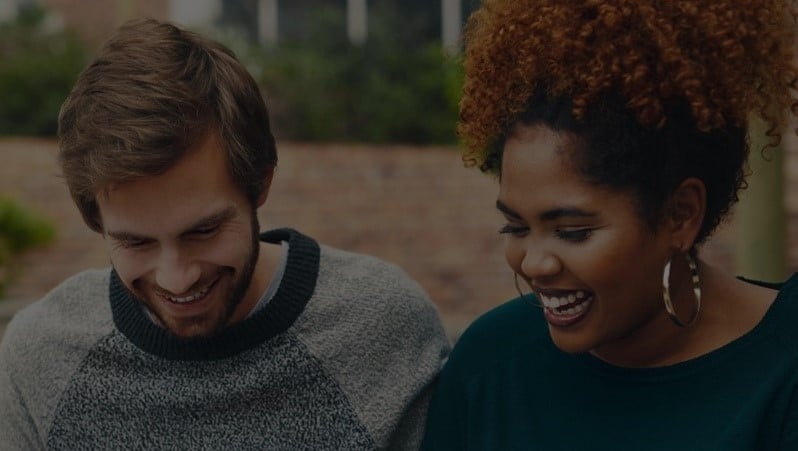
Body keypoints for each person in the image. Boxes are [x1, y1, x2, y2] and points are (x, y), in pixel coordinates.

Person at [0, 18, 450, 449]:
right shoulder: (42, 358)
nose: (177, 279)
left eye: (204, 230)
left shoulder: (386, 328)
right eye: (135, 242)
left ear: (261, 183)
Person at [422, 0, 798, 449]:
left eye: (572, 231)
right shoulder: (489, 365)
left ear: (681, 214)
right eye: (516, 228)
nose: (535, 264)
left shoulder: (784, 373)